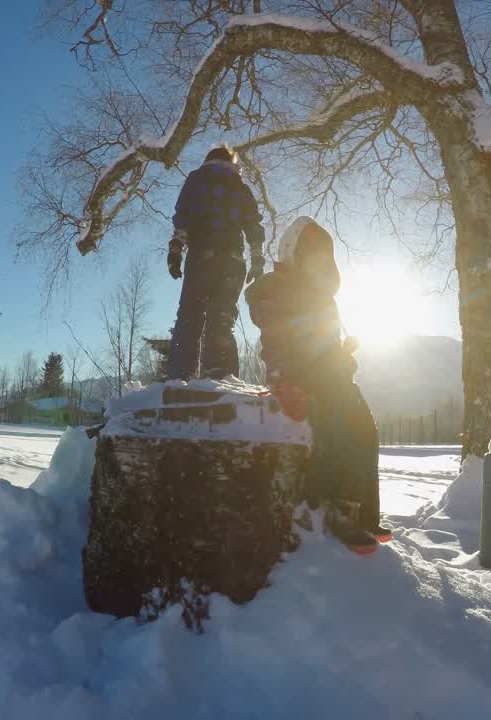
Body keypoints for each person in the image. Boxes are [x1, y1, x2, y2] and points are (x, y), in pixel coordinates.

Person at [245, 216, 390, 554]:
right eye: (313, 259)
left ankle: (364, 511)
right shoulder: (278, 290)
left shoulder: (324, 300)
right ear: (294, 255)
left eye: (325, 260)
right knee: (336, 426)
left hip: (331, 378)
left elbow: (325, 348)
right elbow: (277, 339)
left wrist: (345, 353)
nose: (321, 266)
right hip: (299, 377)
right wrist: (281, 377)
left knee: (365, 426)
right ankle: (340, 510)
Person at [166, 144, 266, 380]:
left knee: (190, 314)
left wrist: (176, 250)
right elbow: (253, 224)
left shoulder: (197, 180)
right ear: (231, 162)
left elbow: (184, 217)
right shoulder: (239, 187)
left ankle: (180, 376)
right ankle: (221, 376)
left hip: (202, 255)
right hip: (233, 259)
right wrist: (257, 259)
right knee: (222, 318)